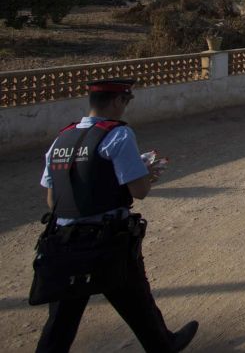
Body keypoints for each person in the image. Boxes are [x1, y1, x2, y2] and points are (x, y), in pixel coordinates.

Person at [36, 78, 199, 352]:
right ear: (117, 101)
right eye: (126, 101)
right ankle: (164, 345)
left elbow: (52, 199)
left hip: (63, 242)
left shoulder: (61, 138)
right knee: (136, 300)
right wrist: (146, 174)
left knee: (60, 321)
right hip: (107, 240)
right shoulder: (117, 135)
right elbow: (139, 191)